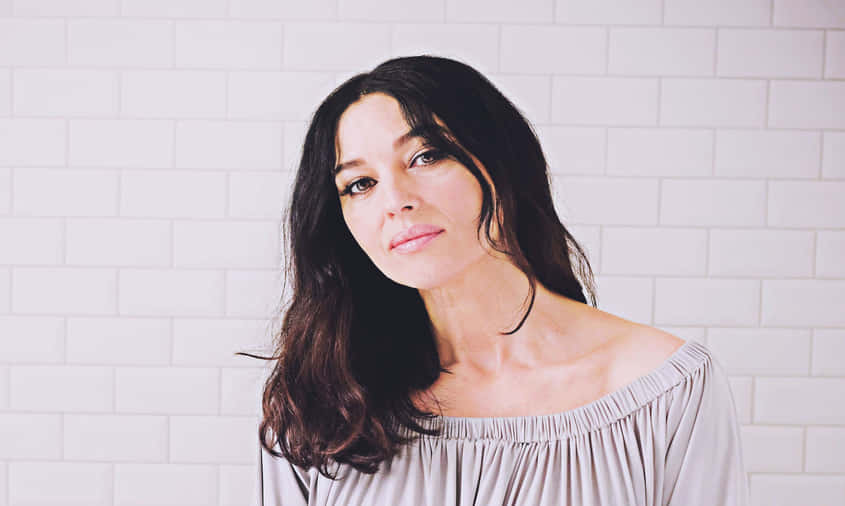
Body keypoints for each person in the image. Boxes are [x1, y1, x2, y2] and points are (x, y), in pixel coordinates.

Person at [249, 55, 750, 505]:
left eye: (426, 156)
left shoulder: (667, 390)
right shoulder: (322, 401)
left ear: (504, 165)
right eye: (360, 184)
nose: (394, 199)